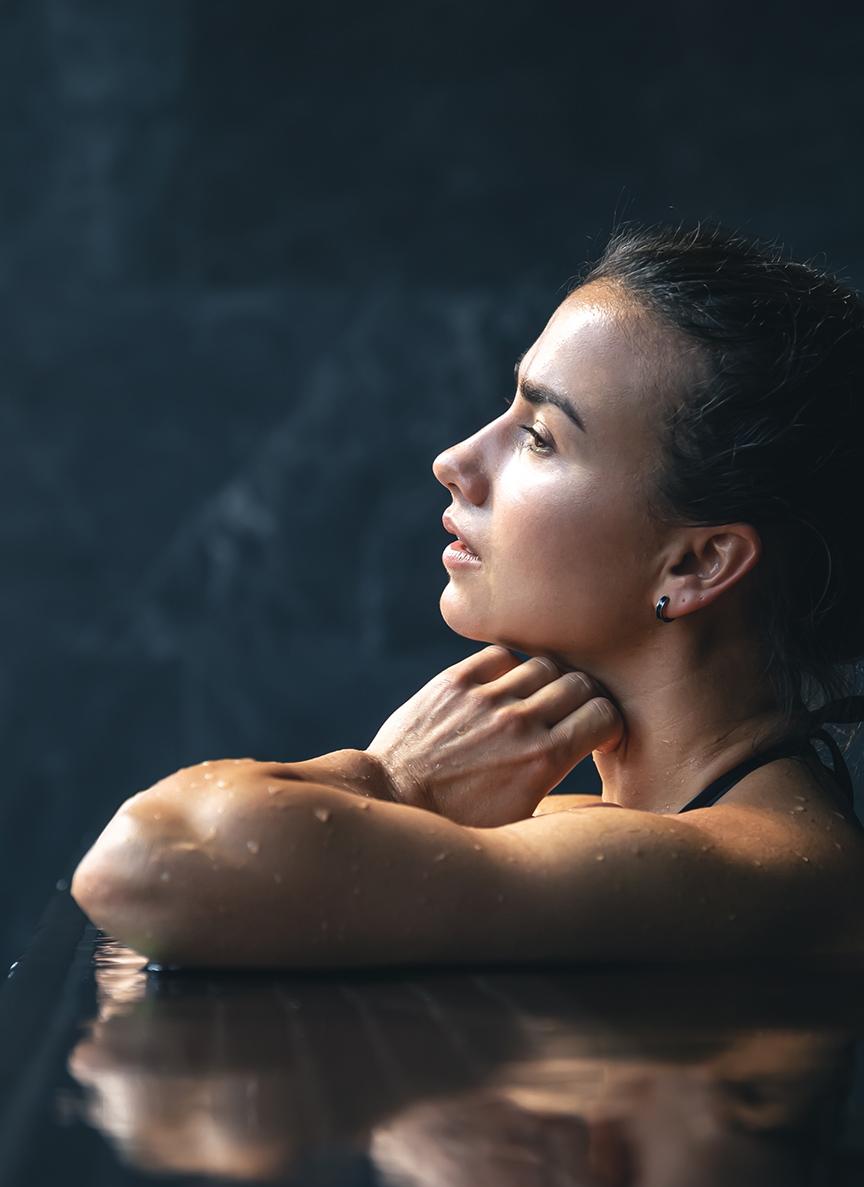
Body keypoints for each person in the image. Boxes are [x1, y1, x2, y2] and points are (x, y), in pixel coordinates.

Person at [71, 222, 864, 968]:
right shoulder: (613, 827)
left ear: (697, 564)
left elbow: (144, 865)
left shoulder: (741, 861)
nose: (455, 459)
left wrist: (392, 783)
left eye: (539, 437)